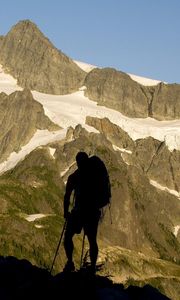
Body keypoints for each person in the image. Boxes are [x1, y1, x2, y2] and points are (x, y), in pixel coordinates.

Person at [63, 151, 101, 273]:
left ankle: (70, 262)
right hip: (92, 213)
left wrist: (66, 212)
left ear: (77, 162)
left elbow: (67, 196)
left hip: (78, 212)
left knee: (68, 236)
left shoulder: (74, 177)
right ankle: (93, 267)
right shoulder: (94, 176)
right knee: (92, 240)